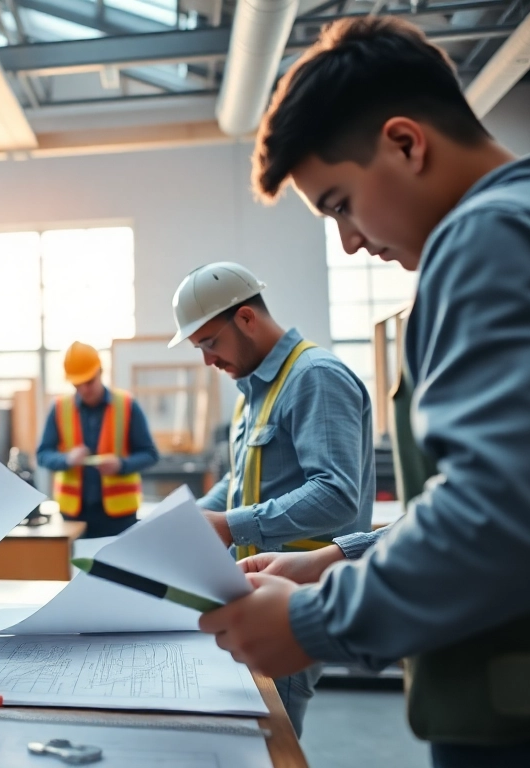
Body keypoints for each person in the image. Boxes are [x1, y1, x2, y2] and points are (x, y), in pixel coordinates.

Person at [197, 17, 530, 767]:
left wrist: (312, 618)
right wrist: (337, 559)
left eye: (339, 204)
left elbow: (504, 523)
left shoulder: (497, 240)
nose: (351, 242)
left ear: (405, 142)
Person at [172, 261, 373, 736]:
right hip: (251, 589)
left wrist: (229, 524)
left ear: (246, 319)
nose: (207, 360)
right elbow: (241, 484)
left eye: (209, 343)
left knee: (267, 742)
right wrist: (187, 519)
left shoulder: (315, 377)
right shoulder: (253, 389)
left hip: (293, 595)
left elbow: (337, 495)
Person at [36, 341, 159, 539]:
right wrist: (67, 460)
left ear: (101, 372)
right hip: (73, 514)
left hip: (120, 516)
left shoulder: (127, 405)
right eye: (77, 384)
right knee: (77, 569)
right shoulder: (59, 408)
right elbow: (43, 455)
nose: (84, 389)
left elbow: (150, 454)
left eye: (89, 381)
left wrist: (121, 464)